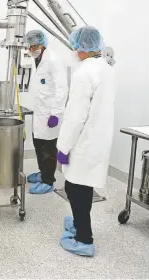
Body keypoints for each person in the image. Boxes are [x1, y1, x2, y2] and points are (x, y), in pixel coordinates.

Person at [57, 26, 115, 257]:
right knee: (83, 185)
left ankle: (84, 239)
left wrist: (63, 147)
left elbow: (75, 117)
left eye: (74, 46)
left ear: (81, 47)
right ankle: (80, 224)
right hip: (98, 138)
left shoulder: (83, 73)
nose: (73, 49)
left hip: (83, 140)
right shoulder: (106, 68)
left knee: (75, 187)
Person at [25, 30, 68, 194]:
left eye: (35, 45)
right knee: (38, 143)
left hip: (50, 113)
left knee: (48, 148)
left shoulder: (53, 60)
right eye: (30, 46)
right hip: (39, 112)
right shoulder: (37, 59)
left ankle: (48, 181)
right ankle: (43, 173)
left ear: (43, 43)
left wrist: (56, 114)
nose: (32, 49)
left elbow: (62, 89)